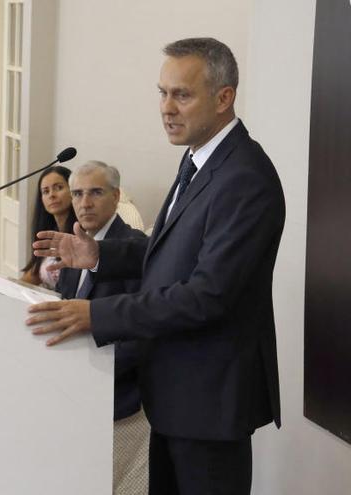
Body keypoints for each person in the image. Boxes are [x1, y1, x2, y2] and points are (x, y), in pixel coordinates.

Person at [27, 38, 285, 494]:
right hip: (173, 394)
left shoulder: (245, 177)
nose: (166, 108)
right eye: (162, 93)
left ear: (224, 98)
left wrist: (96, 314)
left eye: (181, 95)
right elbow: (172, 253)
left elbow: (208, 294)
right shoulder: (199, 160)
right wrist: (101, 255)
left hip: (210, 402)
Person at [56, 161, 148, 495]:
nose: (85, 203)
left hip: (113, 393)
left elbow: (141, 332)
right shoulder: (73, 241)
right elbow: (64, 309)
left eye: (96, 192)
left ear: (116, 196)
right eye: (78, 194)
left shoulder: (133, 247)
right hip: (68, 387)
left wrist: (90, 375)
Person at [20, 166, 76, 289]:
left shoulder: (82, 235)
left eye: (59, 188)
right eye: (46, 191)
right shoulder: (49, 232)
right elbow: (32, 276)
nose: (52, 195)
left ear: (74, 191)